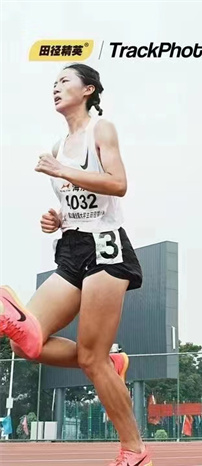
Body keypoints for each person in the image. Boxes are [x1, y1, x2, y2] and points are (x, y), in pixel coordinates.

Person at [0, 64, 151, 466]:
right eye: (53, 83)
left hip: (106, 246)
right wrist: (58, 218)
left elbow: (118, 183)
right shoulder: (57, 145)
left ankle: (135, 451)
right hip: (71, 247)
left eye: (65, 81)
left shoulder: (101, 130)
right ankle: (111, 362)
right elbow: (77, 204)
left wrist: (62, 170)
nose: (56, 87)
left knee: (90, 359)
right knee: (25, 343)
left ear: (88, 90)